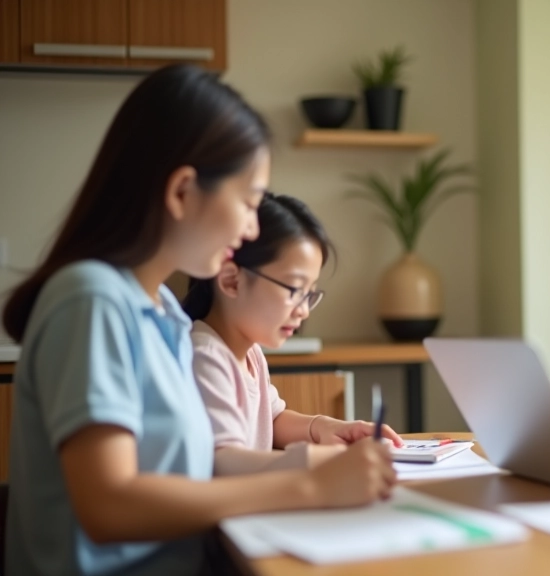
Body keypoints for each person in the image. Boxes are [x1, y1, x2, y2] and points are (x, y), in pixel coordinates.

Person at [1, 64, 395, 576]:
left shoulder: (161, 313)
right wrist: (310, 485)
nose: (252, 225)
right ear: (183, 191)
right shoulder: (92, 302)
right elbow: (108, 505)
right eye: (249, 200)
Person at [183, 192, 403, 476]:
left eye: (309, 295)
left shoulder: (249, 352)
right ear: (231, 281)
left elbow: (272, 419)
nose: (304, 311)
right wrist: (316, 462)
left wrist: (326, 427)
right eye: (294, 291)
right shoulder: (206, 356)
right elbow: (223, 461)